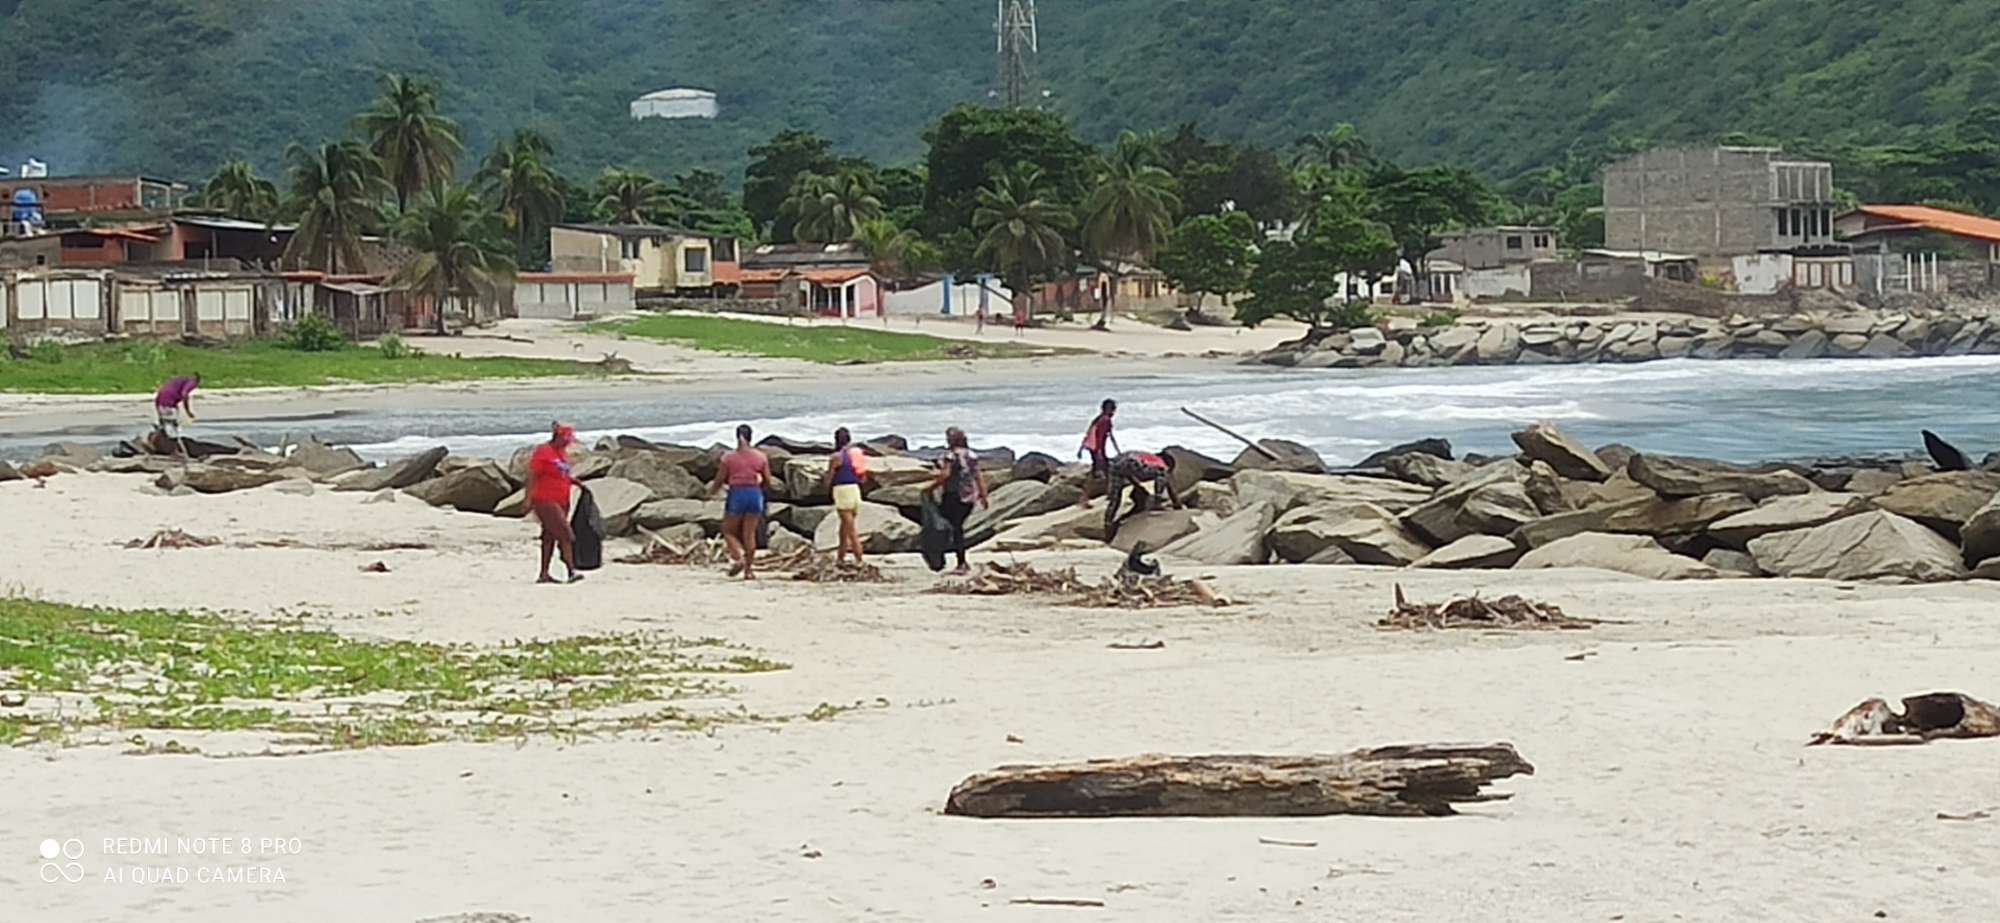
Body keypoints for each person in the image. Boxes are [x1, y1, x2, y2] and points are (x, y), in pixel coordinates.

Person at [710, 424, 772, 580]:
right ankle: (748, 571)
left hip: (737, 493)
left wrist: (710, 492)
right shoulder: (760, 457)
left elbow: (719, 479)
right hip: (754, 493)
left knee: (728, 530)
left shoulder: (729, 458)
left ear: (737, 437)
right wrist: (761, 489)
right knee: (749, 534)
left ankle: (738, 557)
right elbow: (768, 481)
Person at [925, 427, 989, 575]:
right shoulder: (972, 455)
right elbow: (978, 476)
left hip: (954, 495)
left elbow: (945, 475)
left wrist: (930, 488)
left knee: (944, 526)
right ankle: (960, 560)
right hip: (969, 497)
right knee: (957, 528)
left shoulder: (951, 456)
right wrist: (983, 495)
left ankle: (956, 561)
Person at [527, 422, 585, 585]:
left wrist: (573, 481)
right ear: (558, 437)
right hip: (545, 499)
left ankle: (543, 574)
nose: (568, 443)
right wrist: (528, 499)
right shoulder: (543, 452)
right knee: (566, 534)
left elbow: (560, 474)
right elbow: (532, 475)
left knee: (549, 536)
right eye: (566, 439)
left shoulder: (561, 453)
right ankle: (571, 571)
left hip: (562, 499)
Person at [1103, 450, 1184, 541]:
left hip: (1117, 463)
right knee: (1162, 474)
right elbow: (1170, 488)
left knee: (1115, 500)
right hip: (1132, 463)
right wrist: (1177, 506)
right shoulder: (1162, 465)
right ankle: (1157, 502)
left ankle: (1108, 525)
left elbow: (1128, 472)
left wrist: (1138, 486)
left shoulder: (1147, 456)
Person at [821, 427, 870, 566]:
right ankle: (840, 557)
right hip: (855, 489)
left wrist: (825, 488)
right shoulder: (856, 454)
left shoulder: (836, 456)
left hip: (842, 490)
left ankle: (859, 558)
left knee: (850, 529)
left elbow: (829, 476)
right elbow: (863, 477)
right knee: (844, 527)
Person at [1076, 398, 1120, 509]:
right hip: (1098, 450)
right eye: (1113, 409)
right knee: (1100, 473)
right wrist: (1100, 453)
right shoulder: (1105, 420)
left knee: (1105, 471)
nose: (1114, 412)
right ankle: (1085, 499)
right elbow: (1100, 437)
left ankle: (1107, 495)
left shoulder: (1099, 419)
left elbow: (1092, 434)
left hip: (1095, 449)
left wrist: (1081, 448)